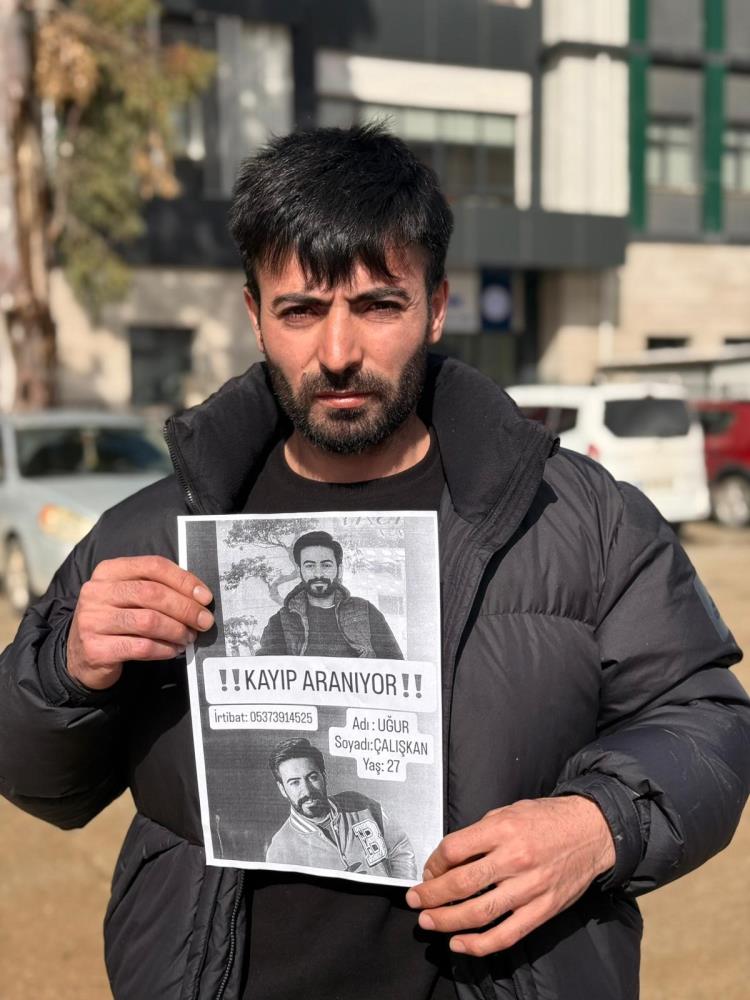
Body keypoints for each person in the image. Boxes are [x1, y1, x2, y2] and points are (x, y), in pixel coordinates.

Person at [0, 123, 748, 1000]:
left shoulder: (579, 518)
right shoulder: (156, 532)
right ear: (255, 315)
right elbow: (35, 777)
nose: (338, 354)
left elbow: (707, 721)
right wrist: (67, 671)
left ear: (436, 305)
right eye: (301, 311)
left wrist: (597, 825)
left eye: (379, 306)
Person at [265, 737, 416, 879]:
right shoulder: (279, 849)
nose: (307, 791)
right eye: (294, 782)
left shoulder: (360, 803)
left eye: (312, 777)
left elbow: (400, 848)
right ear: (282, 789)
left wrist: (400, 890)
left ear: (324, 776)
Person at [256, 529, 403, 658]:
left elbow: (396, 667)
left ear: (339, 570)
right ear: (300, 572)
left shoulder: (365, 611)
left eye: (326, 565)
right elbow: (265, 672)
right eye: (310, 566)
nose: (318, 574)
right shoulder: (281, 621)